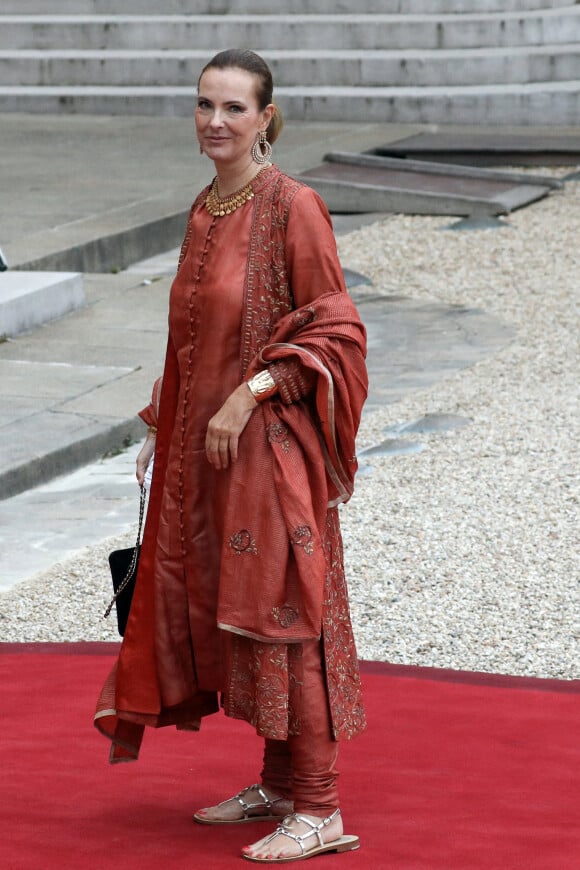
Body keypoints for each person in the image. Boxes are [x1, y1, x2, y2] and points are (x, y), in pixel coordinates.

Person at [95, 48, 368, 864]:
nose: (216, 121)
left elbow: (337, 328)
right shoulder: (206, 207)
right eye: (205, 105)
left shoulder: (295, 207)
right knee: (236, 614)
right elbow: (187, 337)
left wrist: (248, 394)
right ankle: (281, 784)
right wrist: (161, 424)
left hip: (272, 453)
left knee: (287, 615)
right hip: (204, 456)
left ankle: (320, 809)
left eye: (235, 108)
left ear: (266, 119)